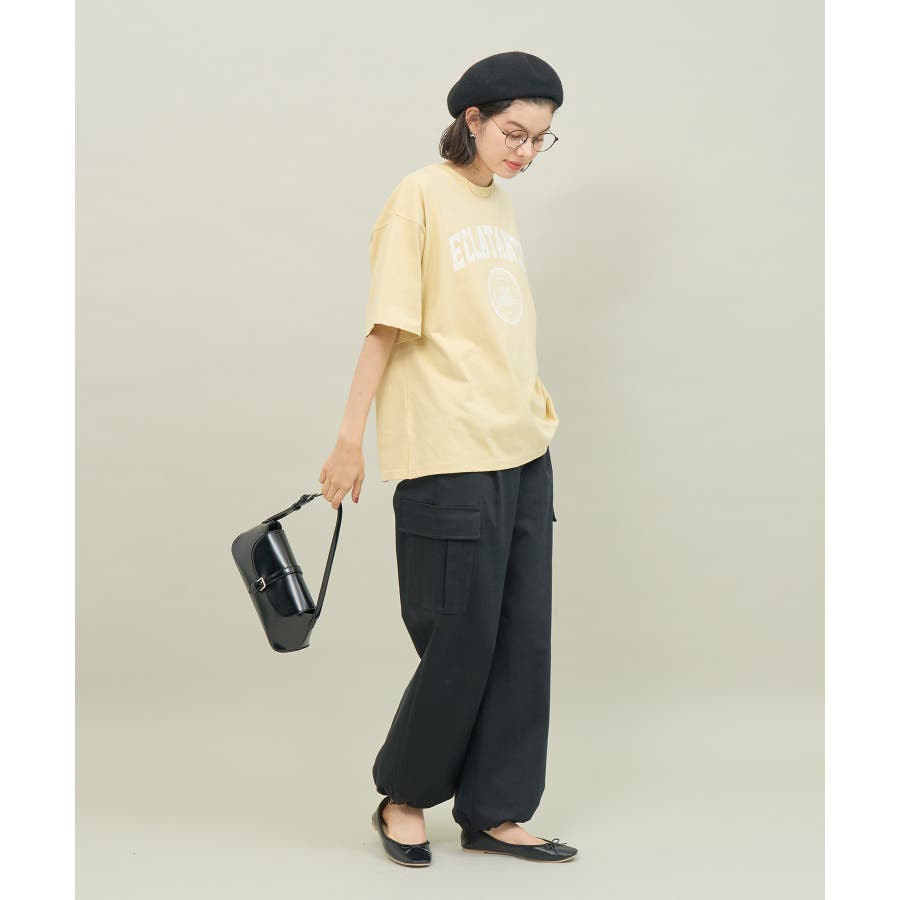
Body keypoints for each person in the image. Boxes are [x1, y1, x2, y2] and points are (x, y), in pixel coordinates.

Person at [317, 51, 577, 866]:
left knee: (521, 640)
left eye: (540, 138)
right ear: (472, 119)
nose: (526, 151)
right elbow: (388, 324)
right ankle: (403, 795)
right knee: (459, 639)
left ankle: (495, 810)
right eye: (514, 133)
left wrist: (533, 408)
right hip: (449, 450)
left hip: (521, 450)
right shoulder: (419, 196)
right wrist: (351, 438)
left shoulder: (498, 205)